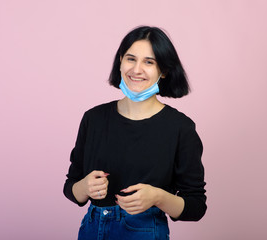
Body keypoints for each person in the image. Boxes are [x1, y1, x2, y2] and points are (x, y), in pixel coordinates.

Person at [63, 26, 207, 240]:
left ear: (164, 71)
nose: (137, 69)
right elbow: (71, 187)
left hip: (145, 231)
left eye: (149, 62)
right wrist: (84, 187)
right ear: (120, 61)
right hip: (92, 230)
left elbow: (196, 206)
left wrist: (157, 197)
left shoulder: (180, 128)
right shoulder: (93, 119)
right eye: (131, 59)